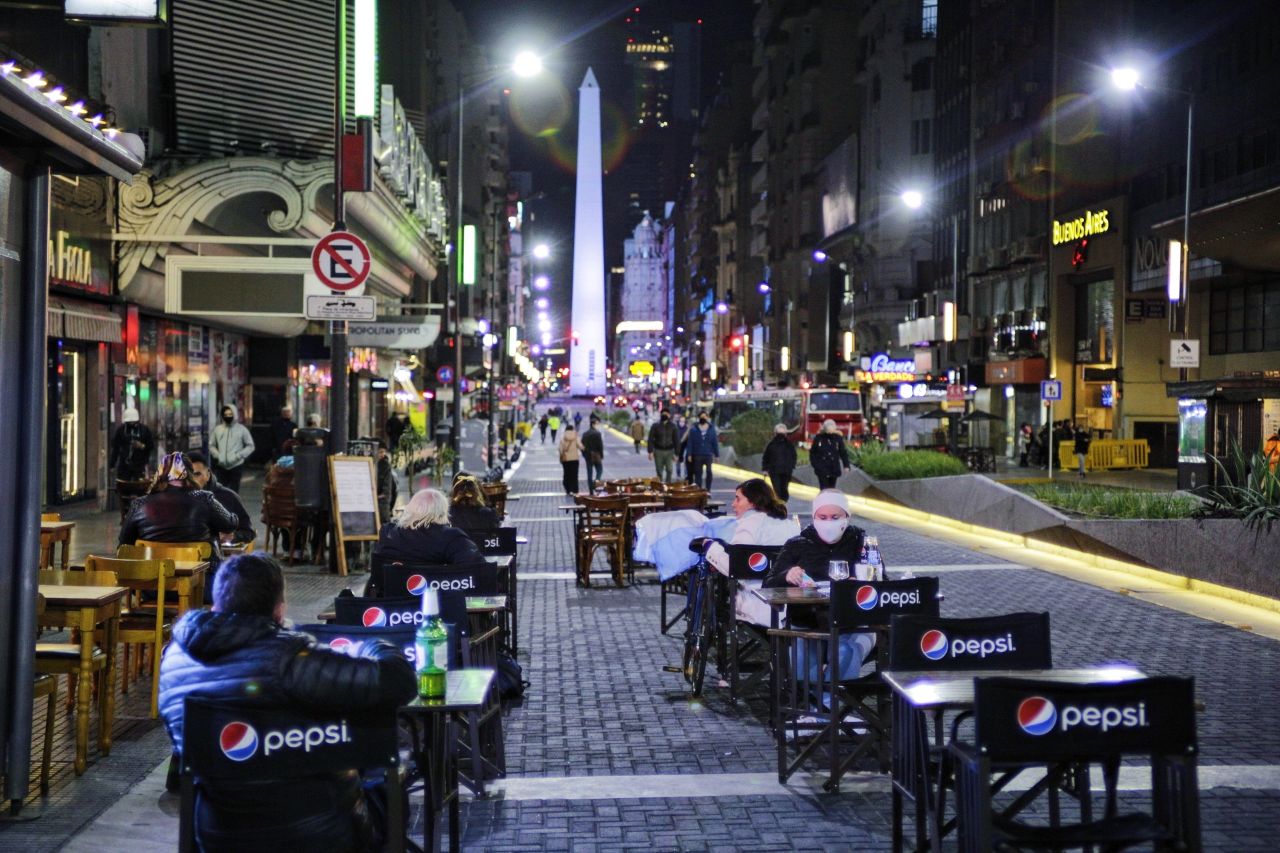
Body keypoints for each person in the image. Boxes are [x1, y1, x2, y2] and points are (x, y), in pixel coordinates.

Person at [159, 553, 414, 852]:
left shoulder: (174, 661)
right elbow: (397, 682)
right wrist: (375, 644)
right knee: (385, 780)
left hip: (217, 836)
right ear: (279, 611)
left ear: (216, 605)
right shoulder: (291, 660)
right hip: (319, 834)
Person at [765, 490, 873, 683]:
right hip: (805, 623)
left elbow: (881, 581)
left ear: (847, 517)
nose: (829, 522)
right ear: (814, 517)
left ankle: (830, 701)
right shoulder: (797, 544)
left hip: (852, 624)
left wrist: (861, 583)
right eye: (823, 517)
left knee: (845, 652)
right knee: (804, 675)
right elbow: (768, 584)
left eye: (835, 517)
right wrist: (786, 575)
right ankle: (822, 700)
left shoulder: (862, 544)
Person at [120, 451, 238, 560]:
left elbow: (124, 543)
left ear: (161, 473)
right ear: (189, 474)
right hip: (200, 572)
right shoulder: (204, 498)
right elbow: (230, 524)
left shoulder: (139, 504)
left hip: (153, 573)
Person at [705, 478, 801, 576]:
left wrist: (709, 546)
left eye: (738, 499)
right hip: (787, 584)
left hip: (754, 584)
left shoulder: (749, 525)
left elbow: (734, 567)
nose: (733, 504)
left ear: (753, 502)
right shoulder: (793, 527)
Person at [376, 488, 488, 566]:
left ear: (409, 509)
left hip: (392, 594)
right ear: (443, 512)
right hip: (438, 593)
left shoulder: (387, 533)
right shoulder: (450, 538)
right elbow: (480, 572)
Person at [188, 451, 255, 544]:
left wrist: (233, 536)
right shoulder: (176, 499)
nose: (192, 480)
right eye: (187, 475)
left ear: (207, 475)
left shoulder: (229, 497)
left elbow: (248, 532)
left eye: (197, 474)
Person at [210, 404, 255, 493]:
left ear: (234, 414)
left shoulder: (242, 429)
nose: (228, 416)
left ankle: (233, 502)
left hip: (236, 466)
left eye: (230, 414)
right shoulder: (217, 429)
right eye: (225, 414)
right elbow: (211, 445)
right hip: (221, 466)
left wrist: (238, 456)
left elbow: (250, 446)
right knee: (220, 491)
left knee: (233, 492)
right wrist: (217, 455)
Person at [109, 406, 155, 482]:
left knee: (139, 485)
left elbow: (151, 446)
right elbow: (116, 448)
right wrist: (112, 465)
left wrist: (142, 446)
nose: (131, 423)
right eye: (129, 422)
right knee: (123, 484)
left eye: (133, 422)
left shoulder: (144, 430)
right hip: (124, 465)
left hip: (140, 465)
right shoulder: (121, 430)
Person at [810, 419, 851, 489]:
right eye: (828, 431)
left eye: (831, 431)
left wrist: (846, 465)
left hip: (833, 467)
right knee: (823, 488)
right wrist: (815, 465)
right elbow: (813, 453)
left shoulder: (838, 439)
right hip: (822, 468)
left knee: (832, 488)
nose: (830, 433)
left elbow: (843, 453)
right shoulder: (819, 438)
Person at [761, 423, 798, 501]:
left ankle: (782, 502)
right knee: (777, 489)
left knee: (784, 489)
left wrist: (791, 466)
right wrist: (765, 469)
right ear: (775, 433)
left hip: (786, 471)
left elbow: (793, 456)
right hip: (774, 471)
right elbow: (766, 457)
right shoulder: (771, 445)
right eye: (779, 433)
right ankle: (778, 503)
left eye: (782, 433)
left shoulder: (789, 445)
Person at [684, 412, 719, 490]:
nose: (703, 418)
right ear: (699, 418)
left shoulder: (711, 429)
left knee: (709, 472)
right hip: (697, 454)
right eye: (701, 417)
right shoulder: (694, 429)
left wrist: (717, 455)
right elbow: (690, 442)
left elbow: (715, 442)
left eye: (704, 416)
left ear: (707, 418)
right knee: (698, 473)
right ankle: (699, 489)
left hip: (708, 454)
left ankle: (708, 489)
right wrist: (689, 454)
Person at [647, 410, 680, 483]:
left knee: (669, 469)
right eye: (663, 414)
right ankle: (660, 485)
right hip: (658, 451)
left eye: (666, 414)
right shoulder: (655, 426)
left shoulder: (673, 426)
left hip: (669, 451)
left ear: (669, 415)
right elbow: (650, 439)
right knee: (659, 470)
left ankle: (668, 484)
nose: (664, 415)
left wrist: (677, 454)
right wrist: (650, 452)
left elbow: (676, 440)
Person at [581, 415, 605, 493]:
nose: (598, 425)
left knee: (589, 473)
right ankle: (596, 482)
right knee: (599, 470)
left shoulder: (585, 434)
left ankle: (591, 490)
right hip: (596, 455)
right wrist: (601, 455)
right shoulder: (597, 434)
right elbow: (600, 445)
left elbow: (582, 445)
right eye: (597, 424)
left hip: (588, 455)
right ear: (593, 424)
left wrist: (584, 454)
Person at [558, 423, 584, 496]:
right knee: (574, 474)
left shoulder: (563, 437)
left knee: (566, 474)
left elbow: (560, 449)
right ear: (573, 429)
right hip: (574, 459)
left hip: (566, 459)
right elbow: (580, 446)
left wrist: (562, 454)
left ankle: (568, 490)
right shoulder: (575, 436)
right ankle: (575, 490)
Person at [375, 441, 398, 523]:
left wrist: (378, 497)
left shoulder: (385, 466)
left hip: (382, 504)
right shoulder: (371, 463)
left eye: (384, 452)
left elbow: (387, 491)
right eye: (380, 452)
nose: (383, 454)